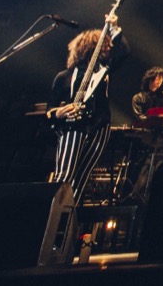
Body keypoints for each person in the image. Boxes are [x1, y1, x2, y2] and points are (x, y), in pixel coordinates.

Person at [46, 13, 128, 203]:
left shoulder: (103, 72)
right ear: (90, 47)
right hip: (72, 128)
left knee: (80, 180)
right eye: (104, 45)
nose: (107, 48)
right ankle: (52, 213)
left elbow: (123, 53)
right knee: (64, 177)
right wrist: (59, 112)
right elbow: (50, 108)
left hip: (99, 128)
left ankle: (67, 216)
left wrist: (115, 27)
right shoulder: (64, 77)